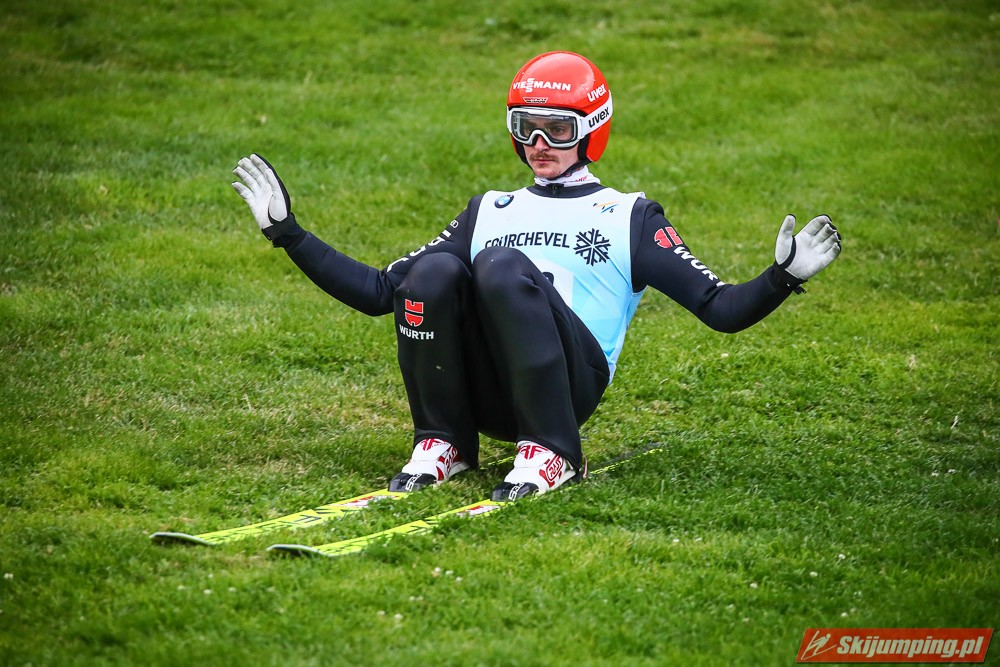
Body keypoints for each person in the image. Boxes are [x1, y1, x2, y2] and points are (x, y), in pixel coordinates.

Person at [232, 51, 841, 502]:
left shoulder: (629, 216)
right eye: (527, 127)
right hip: (486, 390)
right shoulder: (490, 209)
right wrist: (289, 233)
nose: (541, 143)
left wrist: (783, 276)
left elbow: (719, 308)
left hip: (566, 388)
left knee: (499, 266)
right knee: (433, 273)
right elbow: (381, 294)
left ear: (593, 129)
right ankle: (444, 440)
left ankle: (554, 451)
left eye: (559, 129)